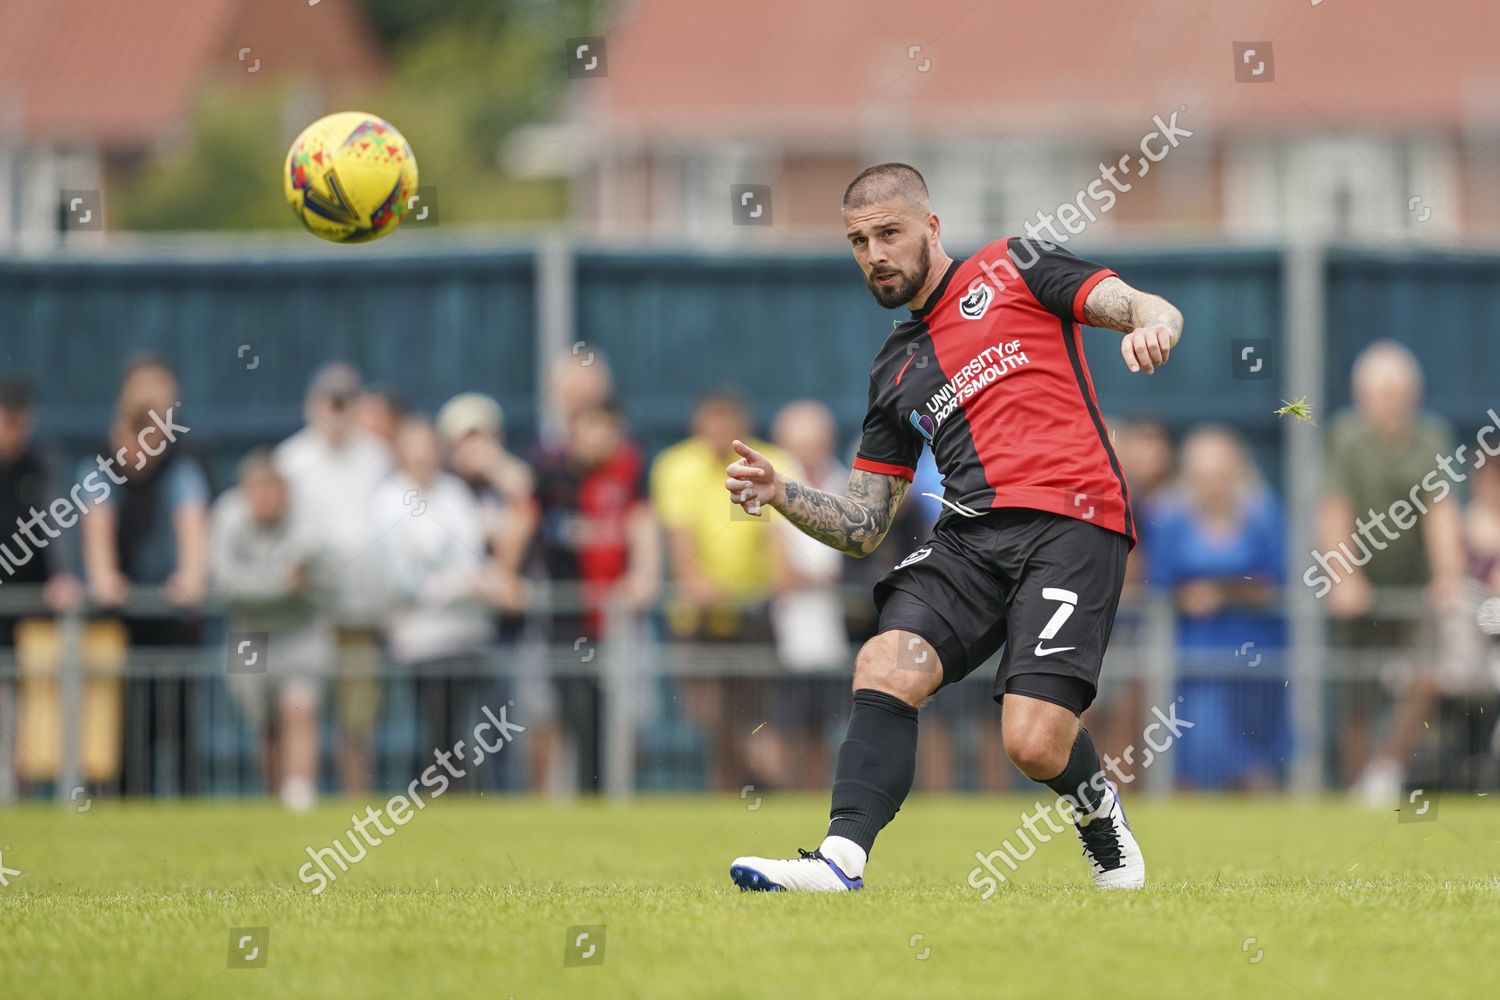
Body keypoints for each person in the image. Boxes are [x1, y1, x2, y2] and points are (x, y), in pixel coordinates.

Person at [724, 163, 1182, 891]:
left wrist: (1156, 323)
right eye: (858, 241)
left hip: (1074, 522)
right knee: (884, 664)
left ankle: (1099, 813)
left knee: (1033, 744)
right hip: (970, 538)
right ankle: (840, 861)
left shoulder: (1015, 265)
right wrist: (783, 492)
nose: (874, 253)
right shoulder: (893, 369)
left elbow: (1134, 302)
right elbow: (865, 525)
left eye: (888, 233)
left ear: (931, 228)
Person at [1318, 341, 1464, 805]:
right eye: (1382, 392)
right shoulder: (1345, 437)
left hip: (1413, 589)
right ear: (1361, 395)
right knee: (1354, 694)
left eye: (1399, 392)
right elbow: (1335, 509)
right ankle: (1359, 785)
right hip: (1361, 588)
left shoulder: (1432, 437)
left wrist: (1448, 577)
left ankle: (1387, 771)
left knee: (1425, 676)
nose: (1391, 401)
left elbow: (1441, 511)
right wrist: (1345, 577)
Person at [651, 389, 795, 791]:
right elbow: (680, 540)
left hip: (754, 615)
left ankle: (765, 786)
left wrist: (774, 581)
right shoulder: (676, 466)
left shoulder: (767, 463)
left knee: (758, 716)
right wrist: (694, 582)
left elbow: (776, 537)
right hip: (698, 619)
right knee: (710, 716)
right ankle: (744, 788)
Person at [79, 369, 212, 796]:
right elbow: (96, 528)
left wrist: (190, 577)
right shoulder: (97, 467)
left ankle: (191, 807)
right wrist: (104, 578)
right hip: (117, 623)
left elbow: (191, 524)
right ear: (120, 434)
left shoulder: (181, 468)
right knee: (119, 731)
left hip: (170, 621)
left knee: (179, 722)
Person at [1144, 427, 1288, 791]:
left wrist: (1222, 593)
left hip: (1254, 658)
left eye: (1221, 475)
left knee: (1253, 763)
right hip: (1192, 663)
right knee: (1191, 760)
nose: (1212, 485)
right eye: (1203, 476)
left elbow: (1274, 581)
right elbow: (1157, 583)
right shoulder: (1169, 517)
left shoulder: (1263, 513)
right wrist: (1184, 596)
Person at [274, 363, 392, 795]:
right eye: (330, 401)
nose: (337, 412)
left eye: (345, 402)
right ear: (313, 405)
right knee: (298, 706)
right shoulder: (292, 459)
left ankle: (355, 807)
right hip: (307, 612)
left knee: (357, 719)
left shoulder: (377, 456)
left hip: (361, 610)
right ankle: (289, 802)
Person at [530, 399, 660, 793]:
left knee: (624, 723)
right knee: (569, 718)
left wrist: (644, 577)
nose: (595, 437)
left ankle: (616, 795)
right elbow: (521, 521)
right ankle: (570, 799)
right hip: (564, 624)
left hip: (618, 626)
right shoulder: (550, 475)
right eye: (587, 427)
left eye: (604, 428)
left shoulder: (630, 471)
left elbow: (644, 528)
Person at [210, 449, 332, 810]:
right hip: (250, 635)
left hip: (300, 632)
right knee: (264, 722)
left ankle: (299, 795)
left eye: (273, 489)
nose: (266, 498)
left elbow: (316, 574)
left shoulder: (307, 522)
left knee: (300, 708)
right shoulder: (226, 517)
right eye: (257, 490)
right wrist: (280, 586)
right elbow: (229, 587)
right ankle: (275, 795)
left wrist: (273, 586)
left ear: (285, 492)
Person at [377, 416, 493, 788]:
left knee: (457, 725)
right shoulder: (387, 501)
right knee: (436, 723)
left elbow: (471, 557)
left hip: (465, 633)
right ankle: (435, 792)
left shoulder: (455, 494)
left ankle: (452, 793)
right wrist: (454, 587)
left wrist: (450, 586)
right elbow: (398, 577)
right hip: (417, 638)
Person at [767, 400, 852, 790]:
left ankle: (816, 797)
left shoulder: (845, 480)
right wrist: (823, 577)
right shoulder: (774, 482)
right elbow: (777, 570)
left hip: (837, 629)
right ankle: (783, 795)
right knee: (784, 726)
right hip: (786, 629)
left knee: (824, 727)